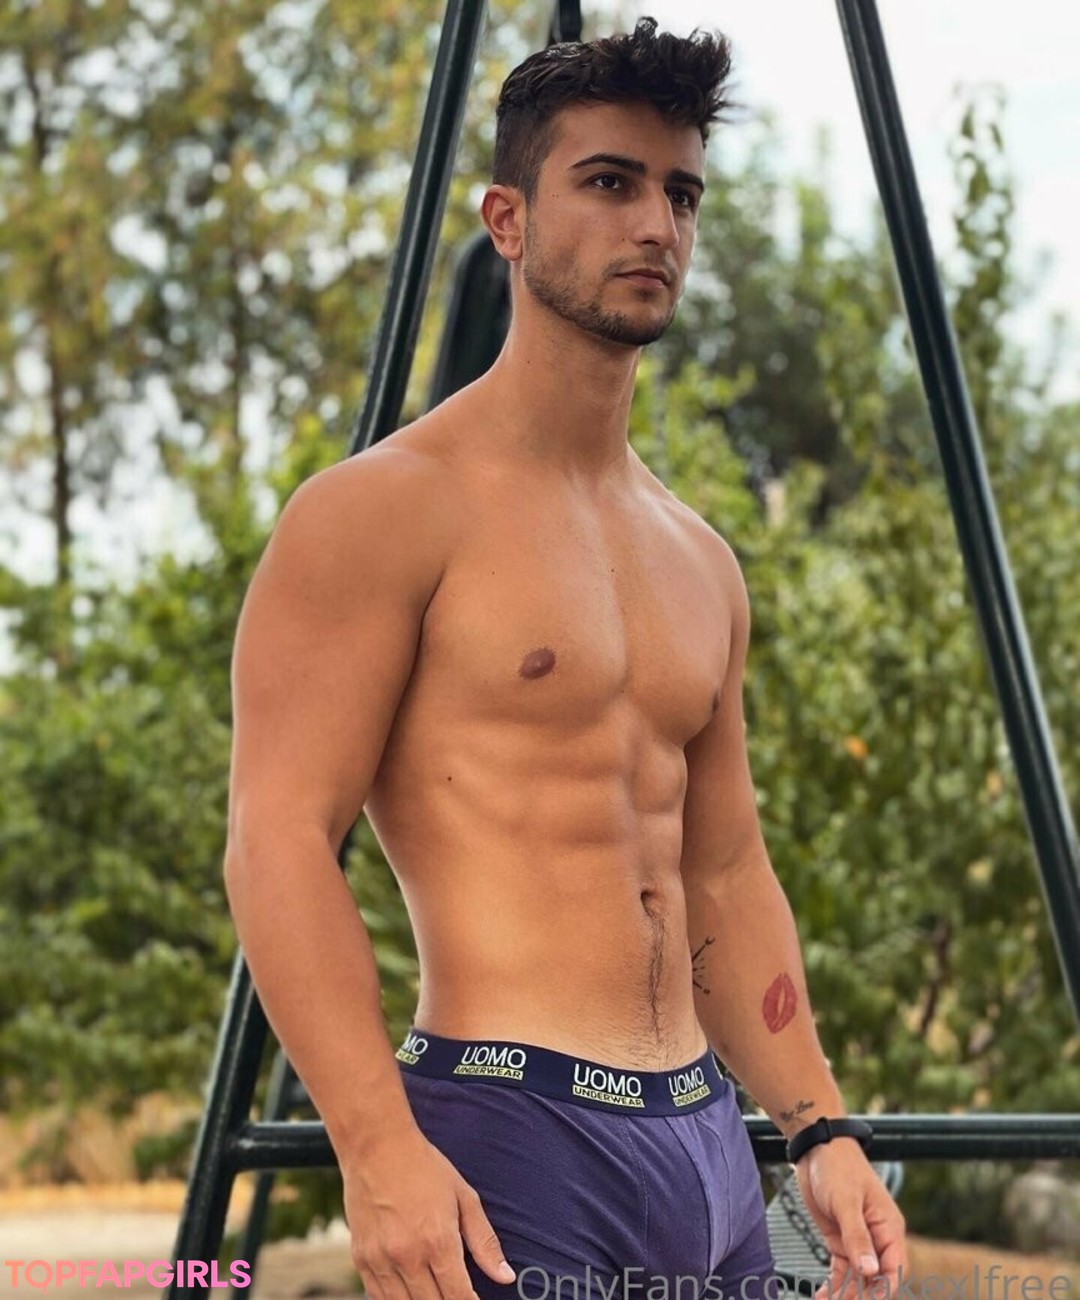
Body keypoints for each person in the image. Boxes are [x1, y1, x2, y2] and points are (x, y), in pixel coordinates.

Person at [223, 17, 908, 1300]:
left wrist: (817, 1126)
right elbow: (278, 838)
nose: (655, 225)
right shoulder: (381, 512)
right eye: (609, 182)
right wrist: (376, 1148)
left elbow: (723, 867)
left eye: (680, 193)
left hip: (710, 1144)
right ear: (509, 218)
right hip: (510, 1130)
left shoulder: (700, 559)